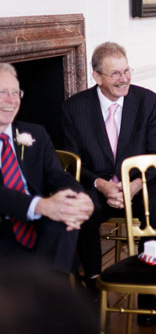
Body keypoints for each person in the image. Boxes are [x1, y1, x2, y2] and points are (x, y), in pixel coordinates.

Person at [62, 42, 156, 326]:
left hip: (140, 183)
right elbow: (74, 163)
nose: (124, 79)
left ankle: (147, 288)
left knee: (153, 208)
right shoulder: (75, 108)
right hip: (99, 185)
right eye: (115, 74)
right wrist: (101, 185)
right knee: (82, 207)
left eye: (127, 70)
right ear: (97, 76)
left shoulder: (147, 101)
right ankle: (93, 284)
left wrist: (132, 186)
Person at [0, 63, 93, 274]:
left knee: (65, 219)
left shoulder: (34, 133)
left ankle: (47, 291)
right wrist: (41, 205)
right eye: (3, 92)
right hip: (4, 229)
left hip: (37, 226)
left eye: (16, 92)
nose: (11, 100)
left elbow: (57, 175)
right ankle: (50, 292)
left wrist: (79, 196)